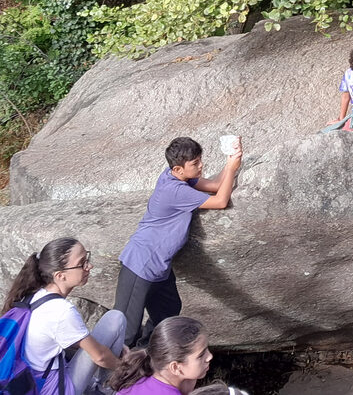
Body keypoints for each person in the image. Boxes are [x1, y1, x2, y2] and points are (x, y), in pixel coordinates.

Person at [114, 137, 242, 348]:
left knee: (168, 310)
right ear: (178, 169)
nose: (201, 166)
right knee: (126, 330)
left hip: (159, 266)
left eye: (200, 160)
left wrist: (232, 160)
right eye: (195, 163)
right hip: (140, 264)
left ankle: (144, 355)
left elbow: (216, 185)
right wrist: (231, 168)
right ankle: (110, 368)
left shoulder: (176, 177)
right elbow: (220, 201)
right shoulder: (174, 191)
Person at [1, 237, 125, 395]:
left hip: (29, 379)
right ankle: (105, 389)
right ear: (60, 275)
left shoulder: (33, 296)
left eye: (87, 258)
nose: (89, 266)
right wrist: (126, 366)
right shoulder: (62, 311)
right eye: (82, 263)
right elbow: (100, 357)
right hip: (53, 389)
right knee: (115, 318)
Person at [108, 316, 211, 395]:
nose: (210, 356)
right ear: (175, 367)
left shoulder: (137, 379)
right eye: (201, 355)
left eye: (207, 349)